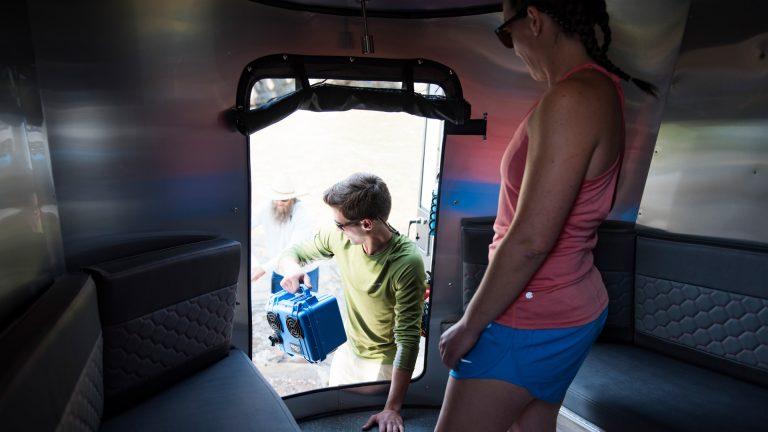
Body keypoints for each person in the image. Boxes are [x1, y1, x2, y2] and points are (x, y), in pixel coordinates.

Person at [435, 1, 657, 431]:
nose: (513, 46)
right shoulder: (595, 90)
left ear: (533, 20)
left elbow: (531, 241)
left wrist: (469, 325)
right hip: (567, 302)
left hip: (533, 312)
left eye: (506, 33)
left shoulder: (573, 99)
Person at [279, 173, 425, 432]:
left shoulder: (407, 263)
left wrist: (392, 408)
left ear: (366, 224)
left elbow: (408, 340)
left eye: (340, 224)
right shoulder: (341, 238)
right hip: (347, 352)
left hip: (384, 365)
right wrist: (292, 270)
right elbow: (293, 253)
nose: (337, 229)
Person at [251, 175, 318, 292]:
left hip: (303, 271)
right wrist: (253, 263)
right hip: (278, 270)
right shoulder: (265, 207)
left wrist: (263, 268)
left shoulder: (303, 214)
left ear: (292, 199)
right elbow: (244, 227)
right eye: (276, 199)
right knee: (276, 303)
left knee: (304, 303)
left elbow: (293, 248)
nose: (279, 203)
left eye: (284, 200)